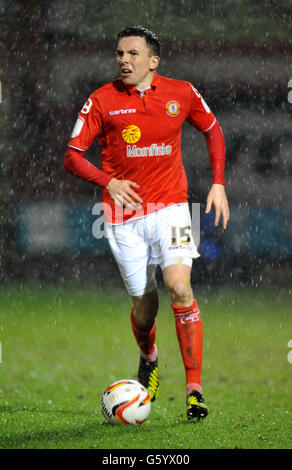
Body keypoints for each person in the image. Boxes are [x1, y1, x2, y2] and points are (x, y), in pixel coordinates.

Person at [64, 26, 229, 421]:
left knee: (180, 287)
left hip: (172, 208)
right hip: (123, 218)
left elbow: (213, 130)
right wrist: (109, 181)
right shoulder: (101, 100)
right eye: (120, 53)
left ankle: (194, 391)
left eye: (133, 54)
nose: (124, 59)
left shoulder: (182, 92)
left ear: (153, 61)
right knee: (145, 306)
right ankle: (148, 356)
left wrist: (218, 184)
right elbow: (73, 155)